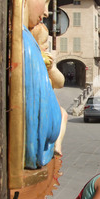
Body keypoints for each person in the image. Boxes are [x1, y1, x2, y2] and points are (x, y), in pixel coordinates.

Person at [22, 0, 62, 168]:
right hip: (34, 150)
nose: (47, 12)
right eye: (45, 1)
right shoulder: (25, 41)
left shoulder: (27, 40)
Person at [31, 22, 68, 156]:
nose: (47, 45)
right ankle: (55, 145)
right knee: (62, 113)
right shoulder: (34, 58)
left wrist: (52, 68)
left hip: (47, 102)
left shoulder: (47, 61)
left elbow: (60, 82)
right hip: (42, 102)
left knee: (63, 113)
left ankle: (57, 145)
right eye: (43, 42)